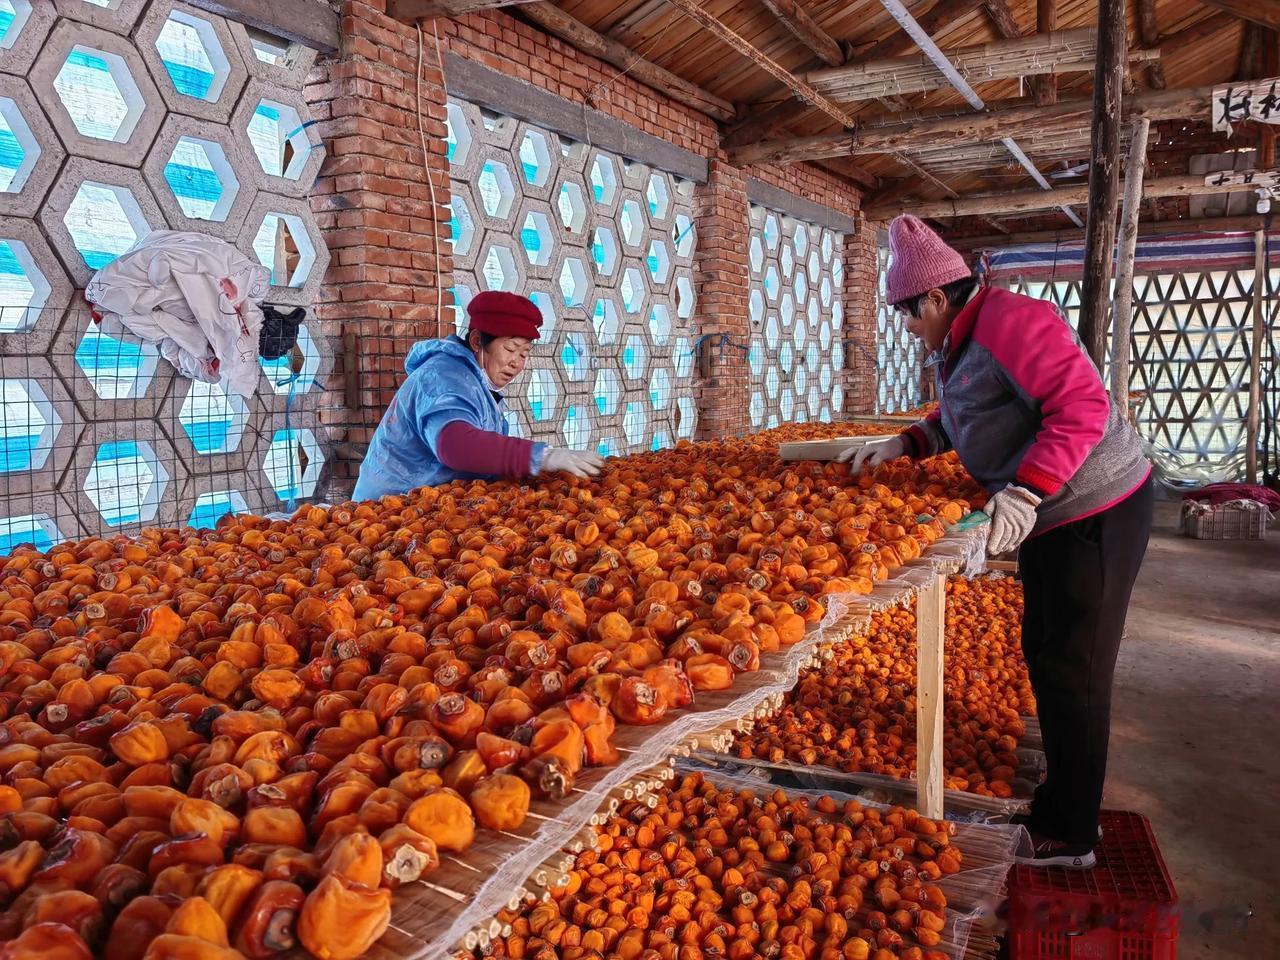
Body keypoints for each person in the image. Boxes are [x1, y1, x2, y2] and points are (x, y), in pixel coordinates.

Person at [844, 215, 1153, 869]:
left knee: (1077, 669)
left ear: (933, 298)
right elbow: (966, 412)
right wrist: (909, 442)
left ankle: (1072, 834)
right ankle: (1057, 801)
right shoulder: (959, 341)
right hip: (1050, 514)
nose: (907, 327)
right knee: (1044, 652)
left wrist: (1026, 490)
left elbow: (1083, 408)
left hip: (1097, 508)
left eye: (907, 314)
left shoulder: (1013, 322)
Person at [353, 291, 603, 500]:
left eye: (524, 354)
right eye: (510, 349)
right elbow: (455, 445)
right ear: (476, 340)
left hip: (432, 505)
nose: (516, 363)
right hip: (388, 510)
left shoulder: (473, 382)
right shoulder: (443, 376)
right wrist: (541, 456)